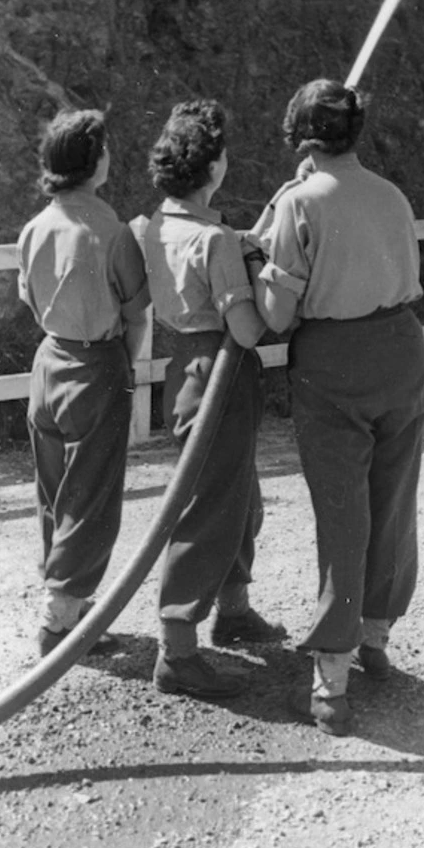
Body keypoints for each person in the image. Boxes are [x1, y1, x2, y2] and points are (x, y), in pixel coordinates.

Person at [249, 78, 424, 735]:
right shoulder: (391, 195)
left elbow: (276, 316)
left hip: (334, 363)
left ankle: (332, 678)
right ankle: (374, 635)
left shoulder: (297, 204)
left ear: (302, 137)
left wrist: (256, 257)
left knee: (343, 512)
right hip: (402, 350)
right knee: (392, 497)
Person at [144, 98, 286, 700]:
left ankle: (234, 609)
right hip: (221, 374)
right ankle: (177, 649)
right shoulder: (217, 241)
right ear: (214, 168)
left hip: (185, 368)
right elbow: (250, 331)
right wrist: (258, 267)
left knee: (239, 494)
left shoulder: (155, 226)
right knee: (211, 507)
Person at [17, 108, 151, 658]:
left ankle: (67, 606)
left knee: (54, 493)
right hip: (96, 366)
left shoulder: (35, 227)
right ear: (93, 163)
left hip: (47, 362)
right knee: (91, 499)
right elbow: (138, 314)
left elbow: (29, 298)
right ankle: (58, 618)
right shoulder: (111, 232)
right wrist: (125, 366)